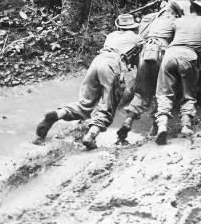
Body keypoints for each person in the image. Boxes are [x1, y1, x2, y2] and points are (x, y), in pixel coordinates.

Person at [35, 14, 140, 150]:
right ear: (133, 27)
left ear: (119, 26)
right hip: (112, 65)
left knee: (85, 103)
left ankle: (57, 114)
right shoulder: (136, 38)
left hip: (97, 61)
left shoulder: (112, 35)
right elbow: (136, 63)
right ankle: (91, 136)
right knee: (108, 106)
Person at [153, 0, 201, 145]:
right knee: (188, 93)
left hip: (170, 55)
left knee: (164, 92)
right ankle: (186, 126)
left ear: (191, 9)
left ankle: (162, 125)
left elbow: (170, 33)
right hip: (189, 57)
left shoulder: (179, 21)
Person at [117, 6, 178, 142]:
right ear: (175, 13)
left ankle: (128, 120)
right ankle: (157, 128)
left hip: (145, 54)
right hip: (161, 54)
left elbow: (140, 40)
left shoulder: (153, 22)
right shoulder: (175, 22)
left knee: (141, 93)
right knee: (162, 92)